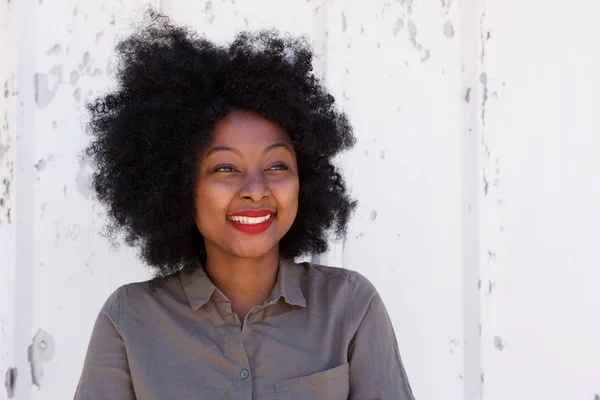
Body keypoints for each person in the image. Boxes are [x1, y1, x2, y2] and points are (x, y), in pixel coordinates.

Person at [74, 12, 414, 400]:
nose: (256, 189)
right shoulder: (127, 321)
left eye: (277, 165)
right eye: (225, 168)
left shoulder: (350, 306)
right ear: (179, 183)